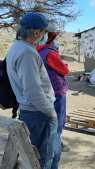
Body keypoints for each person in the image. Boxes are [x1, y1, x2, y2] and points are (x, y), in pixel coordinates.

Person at [6, 12, 58, 169]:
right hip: (39, 114)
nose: (45, 35)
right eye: (44, 32)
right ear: (36, 33)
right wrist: (51, 112)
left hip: (32, 112)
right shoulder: (27, 53)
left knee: (34, 158)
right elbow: (32, 91)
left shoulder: (17, 47)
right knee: (43, 159)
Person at [37, 24, 70, 168]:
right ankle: (53, 161)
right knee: (56, 128)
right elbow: (64, 70)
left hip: (45, 93)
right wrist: (65, 65)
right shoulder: (51, 53)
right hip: (57, 93)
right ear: (51, 38)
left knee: (48, 127)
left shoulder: (38, 51)